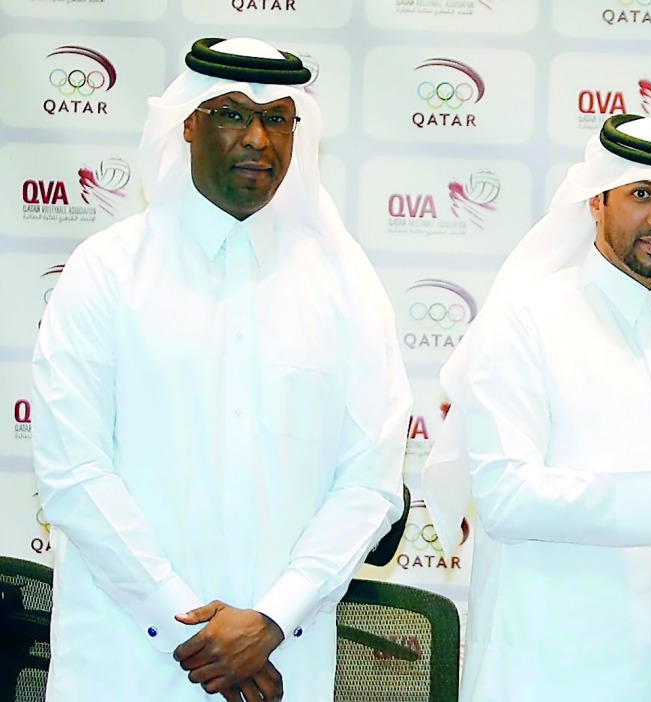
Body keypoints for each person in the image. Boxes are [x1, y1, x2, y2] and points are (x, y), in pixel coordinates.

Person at [31, 37, 411, 702]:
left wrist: (272, 620)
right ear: (187, 124)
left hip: (282, 659)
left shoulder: (346, 287)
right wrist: (183, 626)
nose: (258, 139)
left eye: (277, 119)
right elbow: (73, 471)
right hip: (126, 661)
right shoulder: (107, 271)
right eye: (232, 114)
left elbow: (370, 482)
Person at [420, 114, 651, 701]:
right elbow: (507, 496)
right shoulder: (526, 320)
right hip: (550, 672)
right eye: (643, 194)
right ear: (596, 201)